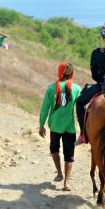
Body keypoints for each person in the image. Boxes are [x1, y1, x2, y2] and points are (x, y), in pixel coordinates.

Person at [38, 62, 82, 191]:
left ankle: (59, 173)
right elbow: (80, 109)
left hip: (55, 126)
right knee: (69, 155)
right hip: (69, 127)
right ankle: (67, 182)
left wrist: (41, 125)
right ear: (72, 73)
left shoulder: (51, 88)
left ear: (59, 72)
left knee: (54, 149)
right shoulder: (76, 89)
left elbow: (45, 108)